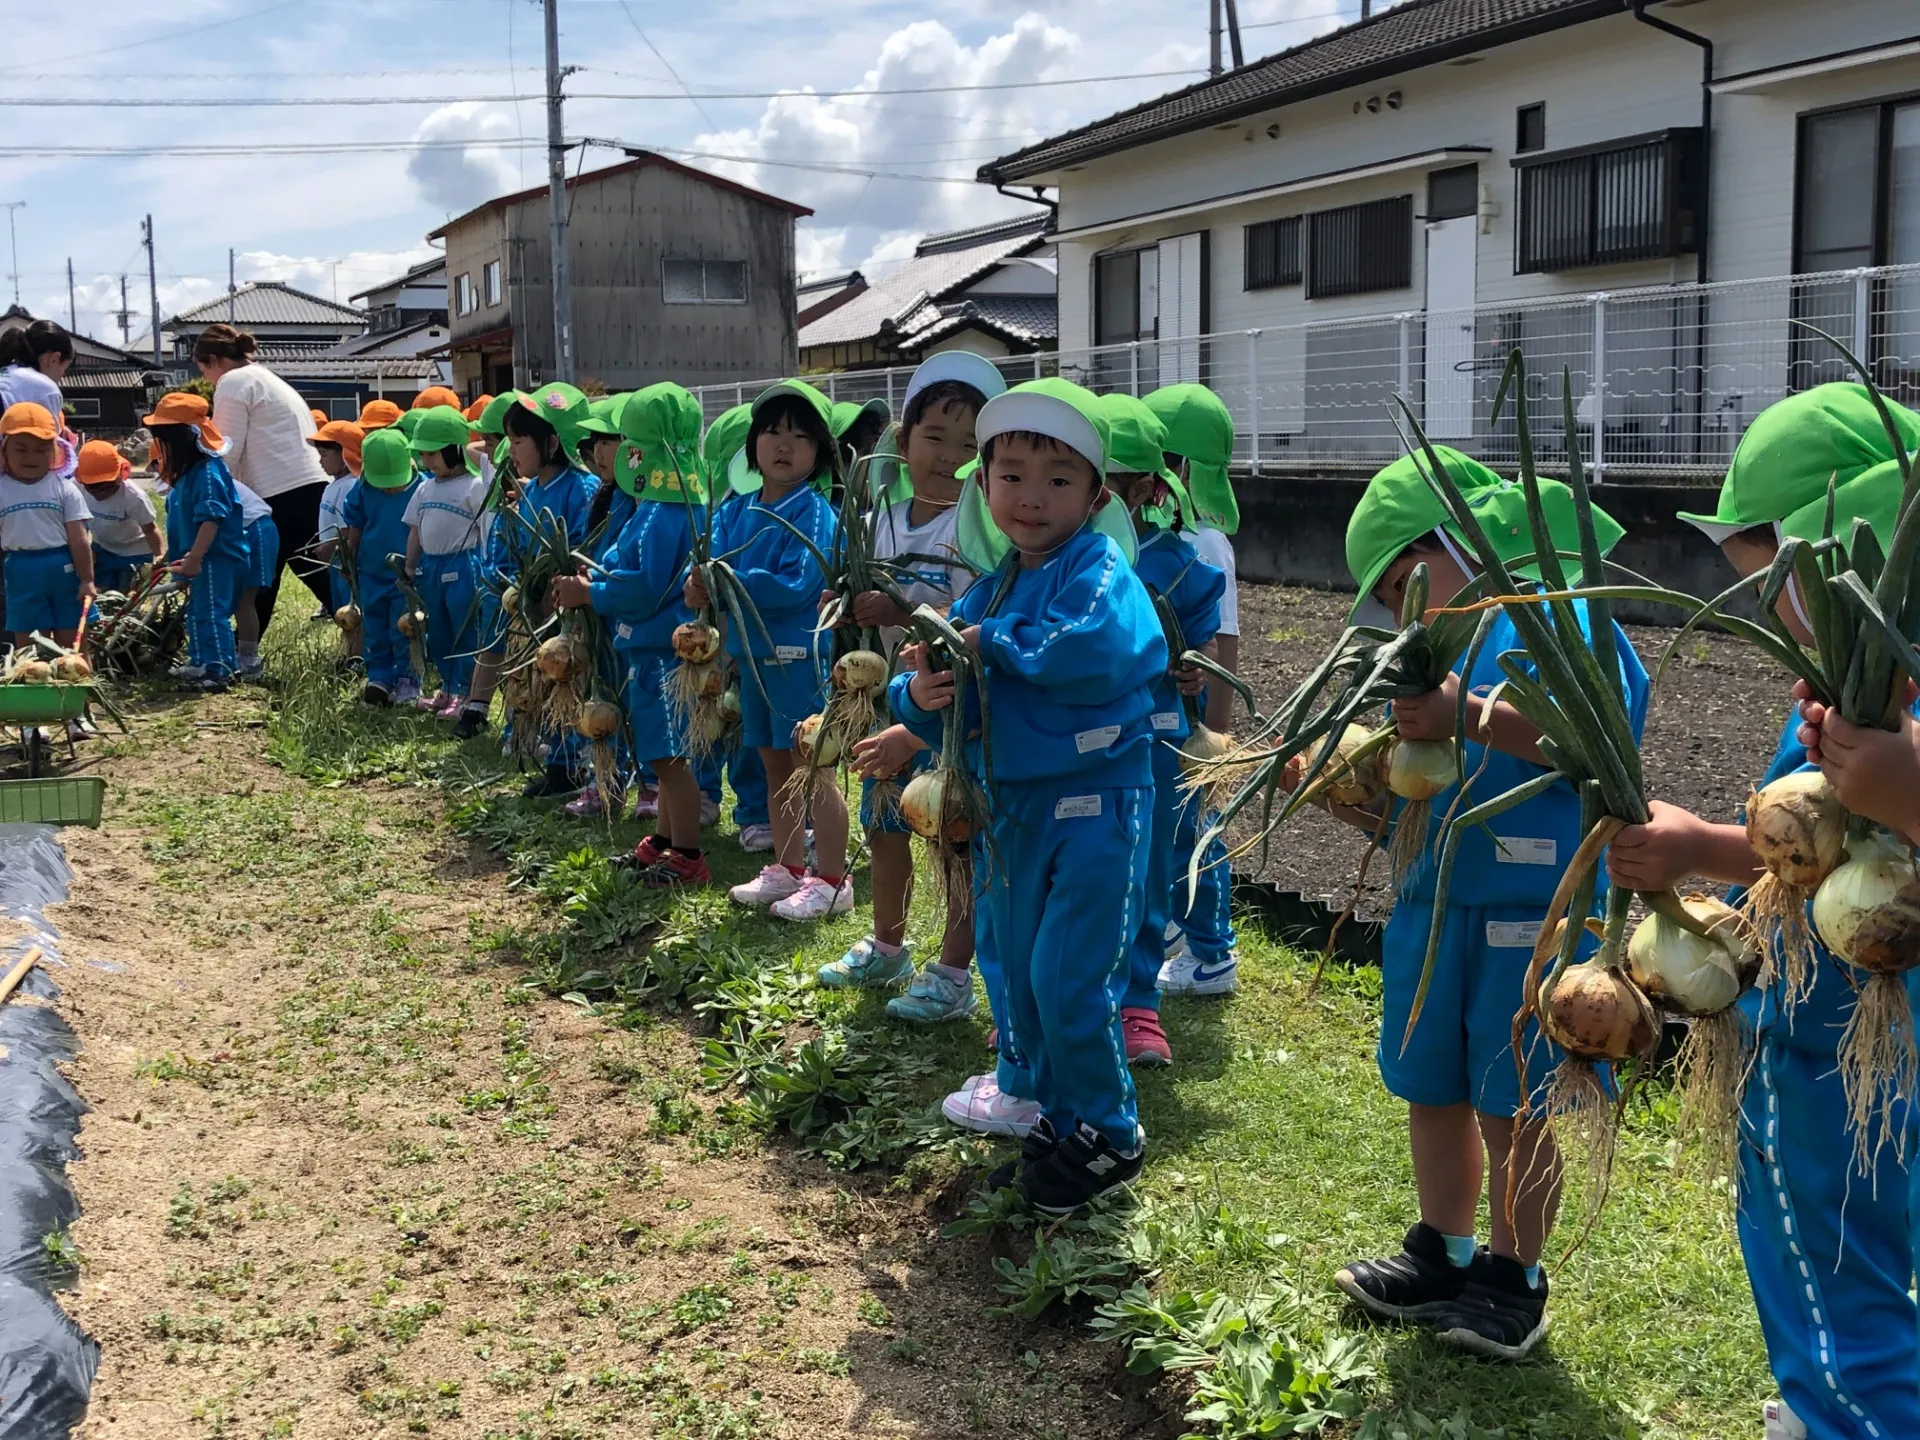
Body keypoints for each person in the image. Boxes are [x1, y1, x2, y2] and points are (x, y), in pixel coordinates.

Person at [1609, 384, 1920, 1440]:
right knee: (1862, 1253)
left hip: (1838, 1052)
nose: (1772, 615)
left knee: (1824, 1252)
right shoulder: (1842, 702)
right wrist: (1700, 843)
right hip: (1848, 1047)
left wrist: (1905, 786)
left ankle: (1853, 1413)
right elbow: (1808, 852)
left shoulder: (1893, 712)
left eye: (1775, 585)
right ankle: (1836, 1399)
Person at [1326, 448, 1641, 1362]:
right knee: (1432, 1081)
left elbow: (1595, 739)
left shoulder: (1557, 615)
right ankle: (1442, 1248)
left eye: (1401, 579)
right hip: (1435, 899)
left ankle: (1516, 1274)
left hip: (1531, 907)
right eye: (1385, 597)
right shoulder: (1423, 658)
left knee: (1515, 1100)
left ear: (1461, 542)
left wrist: (1467, 715)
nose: (1397, 608)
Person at [889, 378, 1166, 1213]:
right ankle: (1055, 1113)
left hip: (1093, 801)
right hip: (1014, 808)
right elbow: (929, 671)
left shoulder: (1099, 571)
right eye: (1011, 475)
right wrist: (918, 695)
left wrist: (990, 645)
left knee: (1068, 975)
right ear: (984, 486)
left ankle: (1109, 1132)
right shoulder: (994, 583)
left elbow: (1097, 650)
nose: (1031, 497)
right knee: (1015, 965)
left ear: (1096, 494)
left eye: (1057, 479)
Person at [824, 353, 1004, 1021]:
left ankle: (954, 973)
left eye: (969, 446)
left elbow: (968, 623)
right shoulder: (879, 519)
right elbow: (853, 590)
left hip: (949, 709)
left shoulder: (979, 525)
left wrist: (900, 615)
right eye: (936, 438)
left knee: (953, 833)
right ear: (904, 443)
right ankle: (887, 944)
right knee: (885, 823)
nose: (950, 456)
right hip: (885, 700)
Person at [690, 380, 851, 922]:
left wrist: (728, 579)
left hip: (796, 657)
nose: (784, 445)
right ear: (754, 444)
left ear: (820, 453)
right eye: (774, 432)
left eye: (801, 437)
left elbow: (797, 586)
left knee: (813, 764)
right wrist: (702, 587)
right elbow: (713, 574)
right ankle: (787, 869)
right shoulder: (738, 509)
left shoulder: (816, 513)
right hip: (753, 657)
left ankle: (832, 877)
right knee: (773, 761)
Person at [1102, 392, 1224, 1069]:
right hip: (1080, 739)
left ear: (1147, 488)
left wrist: (1194, 675)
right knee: (1087, 872)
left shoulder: (1177, 562)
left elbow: (1199, 650)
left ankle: (1139, 1003)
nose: (1105, 503)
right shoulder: (1054, 558)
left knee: (1146, 870)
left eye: (1117, 488)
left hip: (1154, 739)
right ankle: (1078, 997)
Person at [551, 382, 711, 886]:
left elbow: (643, 588)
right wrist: (595, 579)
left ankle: (688, 856)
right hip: (644, 648)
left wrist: (591, 593)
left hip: (662, 650)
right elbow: (625, 565)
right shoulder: (654, 507)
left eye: (630, 441)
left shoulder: (666, 513)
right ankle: (662, 843)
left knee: (667, 757)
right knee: (657, 754)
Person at [1144, 383, 1243, 995]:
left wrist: (1219, 732)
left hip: (1191, 717)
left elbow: (1222, 645)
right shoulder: (1176, 535)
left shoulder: (1201, 544)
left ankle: (1212, 954)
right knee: (1170, 829)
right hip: (1175, 714)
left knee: (1193, 832)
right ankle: (1186, 934)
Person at [485, 386, 600, 790]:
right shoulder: (531, 491)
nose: (511, 451)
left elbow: (584, 549)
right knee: (543, 679)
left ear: (552, 442)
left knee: (567, 679)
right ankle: (551, 753)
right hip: (535, 609)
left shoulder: (581, 490)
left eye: (518, 441)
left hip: (566, 610)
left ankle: (570, 764)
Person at [194, 323, 330, 635]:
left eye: (203, 369)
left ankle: (244, 653)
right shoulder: (264, 377)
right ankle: (246, 651)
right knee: (296, 574)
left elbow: (225, 451)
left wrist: (208, 493)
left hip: (281, 491)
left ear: (213, 360)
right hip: (308, 484)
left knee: (265, 578)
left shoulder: (232, 382)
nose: (206, 378)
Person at [692, 402, 771, 846]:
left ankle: (755, 812)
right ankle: (704, 793)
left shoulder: (778, 507)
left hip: (758, 640)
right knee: (708, 713)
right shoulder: (723, 510)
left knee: (744, 725)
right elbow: (710, 560)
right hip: (719, 634)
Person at [144, 392, 247, 691]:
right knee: (197, 610)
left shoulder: (208, 472)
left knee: (212, 611)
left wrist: (196, 557)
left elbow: (212, 518)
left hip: (214, 557)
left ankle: (220, 669)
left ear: (182, 439)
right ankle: (201, 662)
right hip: (198, 558)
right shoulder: (188, 474)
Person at [401, 406, 488, 717]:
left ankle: (465, 692)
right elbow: (415, 528)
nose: (427, 462)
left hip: (463, 566)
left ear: (455, 449)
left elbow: (488, 530)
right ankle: (447, 688)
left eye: (433, 454)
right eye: (423, 455)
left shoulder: (475, 486)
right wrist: (411, 565)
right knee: (437, 630)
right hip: (432, 567)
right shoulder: (425, 488)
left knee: (464, 630)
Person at [340, 427, 423, 706]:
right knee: (374, 624)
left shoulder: (422, 486)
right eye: (383, 483)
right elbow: (355, 526)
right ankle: (379, 677)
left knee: (404, 627)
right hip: (372, 570)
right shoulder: (362, 488)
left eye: (394, 482)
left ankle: (408, 679)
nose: (389, 488)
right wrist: (349, 557)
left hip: (407, 573)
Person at [0, 402, 92, 647]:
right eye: (21, 449)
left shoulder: (64, 489)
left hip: (64, 568)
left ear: (55, 451)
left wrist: (87, 580)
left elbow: (79, 538)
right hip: (20, 570)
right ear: (4, 450)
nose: (32, 457)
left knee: (72, 643)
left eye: (42, 449)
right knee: (29, 644)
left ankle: (80, 684)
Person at [77, 442, 162, 594]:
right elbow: (78, 524)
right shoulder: (77, 490)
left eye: (107, 486)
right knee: (102, 595)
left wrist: (158, 558)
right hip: (102, 548)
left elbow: (150, 529)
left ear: (119, 475)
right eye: (93, 487)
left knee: (126, 596)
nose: (100, 492)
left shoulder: (133, 497)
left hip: (135, 552)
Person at [308, 420, 364, 635]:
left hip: (345, 561)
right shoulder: (335, 485)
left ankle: (356, 654)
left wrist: (329, 546)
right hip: (335, 561)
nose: (320, 462)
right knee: (341, 611)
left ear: (345, 455)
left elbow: (347, 528)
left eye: (324, 455)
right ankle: (348, 651)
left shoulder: (350, 485)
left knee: (352, 610)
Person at [231, 480, 281, 680]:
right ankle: (239, 656)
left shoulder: (205, 479)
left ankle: (249, 661)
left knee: (244, 600)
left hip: (255, 530)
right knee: (238, 600)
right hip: (244, 531)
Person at [0, 320, 73, 418]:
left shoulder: (6, 370)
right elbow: (47, 433)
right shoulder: (47, 390)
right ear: (53, 360)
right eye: (64, 368)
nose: (63, 374)